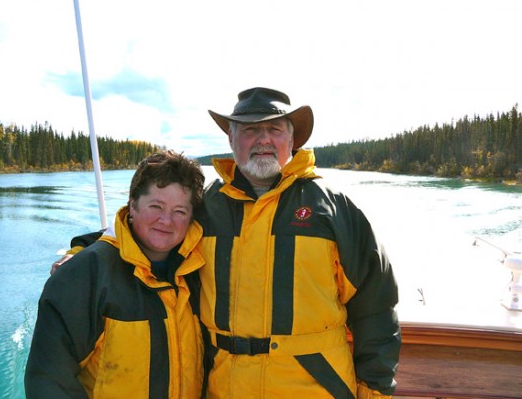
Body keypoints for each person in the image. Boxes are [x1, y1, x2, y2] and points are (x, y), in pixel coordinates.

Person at [55, 87, 401, 399]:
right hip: (225, 388)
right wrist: (84, 252)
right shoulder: (206, 206)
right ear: (232, 139)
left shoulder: (334, 210)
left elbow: (376, 307)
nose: (263, 139)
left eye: (274, 129)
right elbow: (144, 230)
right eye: (250, 130)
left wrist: (374, 391)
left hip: (317, 390)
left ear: (292, 139)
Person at [25, 150, 207, 399]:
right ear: (132, 205)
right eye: (156, 206)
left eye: (180, 211)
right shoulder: (85, 276)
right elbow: (49, 380)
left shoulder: (198, 272)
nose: (166, 220)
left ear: (191, 218)